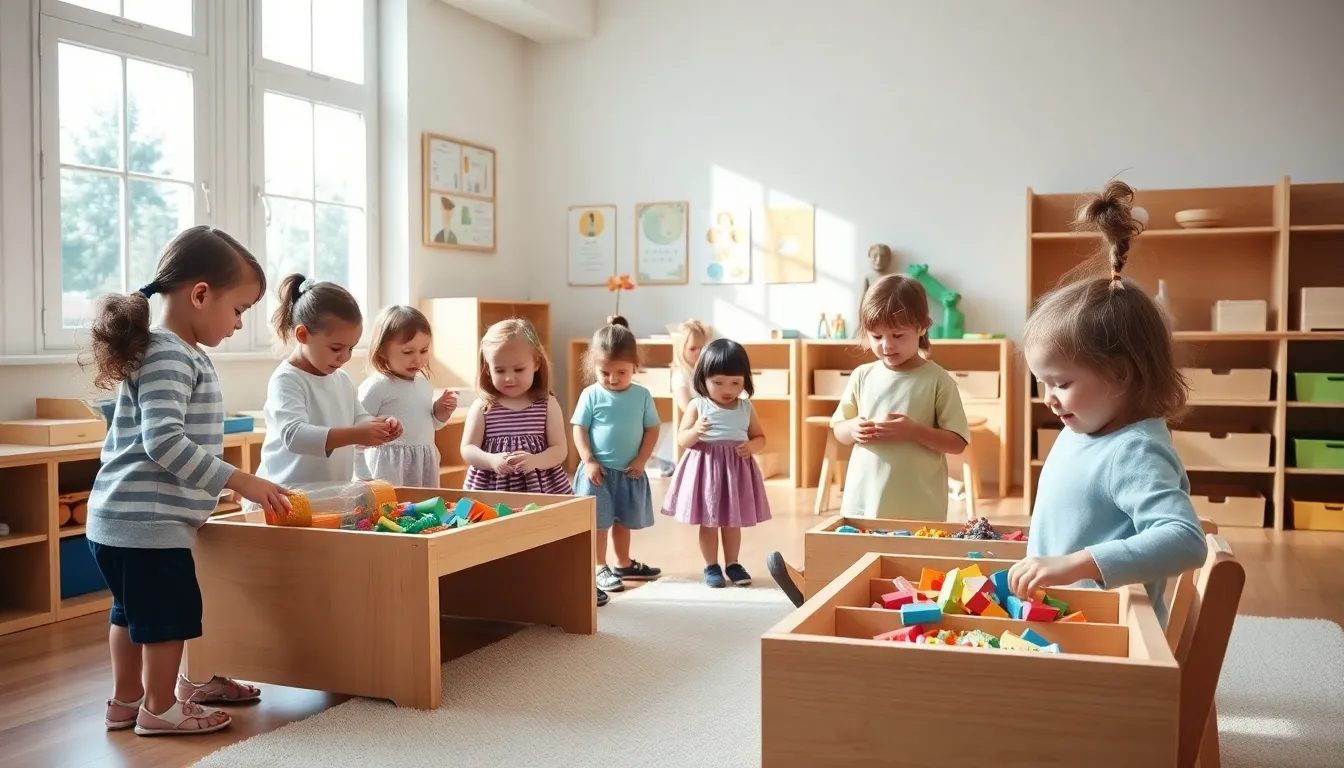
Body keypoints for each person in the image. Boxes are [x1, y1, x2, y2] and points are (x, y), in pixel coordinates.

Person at [84, 226, 291, 736]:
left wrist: (211, 486)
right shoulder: (173, 354)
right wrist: (240, 480)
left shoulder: (164, 351)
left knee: (128, 615)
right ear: (200, 294)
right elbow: (165, 442)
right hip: (149, 524)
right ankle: (161, 709)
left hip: (117, 520)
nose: (240, 323)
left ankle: (126, 702)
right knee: (168, 618)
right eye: (239, 309)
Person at [1010, 179, 1206, 626]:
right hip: (1060, 616)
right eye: (1042, 383)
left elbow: (1184, 539)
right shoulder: (1086, 427)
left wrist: (1077, 563)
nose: (1050, 400)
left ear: (1119, 373)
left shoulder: (1134, 449)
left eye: (1060, 383)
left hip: (1109, 632)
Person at [766, 274, 970, 606]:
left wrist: (914, 430)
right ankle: (814, 588)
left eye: (898, 335)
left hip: (916, 504)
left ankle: (904, 605)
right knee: (853, 550)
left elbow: (957, 442)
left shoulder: (937, 380)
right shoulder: (863, 376)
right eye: (876, 336)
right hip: (864, 496)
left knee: (908, 562)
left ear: (923, 327)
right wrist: (853, 428)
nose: (886, 345)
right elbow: (838, 429)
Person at [257, 275, 402, 487]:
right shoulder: (287, 379)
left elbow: (359, 419)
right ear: (302, 335)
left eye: (351, 348)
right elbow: (295, 435)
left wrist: (380, 426)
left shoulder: (341, 379)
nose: (345, 357)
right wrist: (355, 434)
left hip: (329, 493)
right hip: (285, 494)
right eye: (336, 348)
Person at [662, 338, 771, 588]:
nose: (727, 389)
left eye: (736, 382)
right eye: (718, 382)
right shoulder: (697, 405)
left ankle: (732, 563)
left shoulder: (746, 408)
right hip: (706, 471)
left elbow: (760, 438)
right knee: (709, 521)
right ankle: (711, 566)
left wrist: (751, 447)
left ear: (745, 381)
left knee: (732, 522)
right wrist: (696, 431)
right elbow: (682, 439)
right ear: (703, 379)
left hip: (735, 471)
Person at [571, 316, 663, 605]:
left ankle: (623, 563)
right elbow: (580, 429)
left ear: (634, 366)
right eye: (605, 372)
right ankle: (600, 567)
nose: (612, 379)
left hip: (629, 472)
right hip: (598, 473)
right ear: (594, 368)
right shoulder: (591, 394)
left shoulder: (642, 395)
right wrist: (588, 460)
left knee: (622, 522)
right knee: (599, 524)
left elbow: (652, 428)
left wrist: (642, 459)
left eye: (620, 372)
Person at [461, 318, 571, 495]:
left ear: (536, 363)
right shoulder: (483, 407)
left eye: (518, 369)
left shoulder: (547, 404)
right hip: (492, 491)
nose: (509, 378)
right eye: (500, 370)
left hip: (540, 491)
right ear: (488, 369)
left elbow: (559, 450)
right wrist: (490, 460)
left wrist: (536, 460)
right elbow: (467, 449)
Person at [356, 305, 458, 486]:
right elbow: (355, 429)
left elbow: (431, 425)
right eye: (408, 352)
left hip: (422, 464)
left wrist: (440, 412)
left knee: (422, 509)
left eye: (424, 350)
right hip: (388, 467)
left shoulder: (424, 385)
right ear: (381, 350)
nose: (418, 359)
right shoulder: (377, 386)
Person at [651, 319, 710, 476]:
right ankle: (668, 463)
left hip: (702, 419)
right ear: (680, 349)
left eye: (702, 347)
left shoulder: (700, 371)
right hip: (690, 422)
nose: (699, 352)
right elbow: (686, 405)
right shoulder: (680, 375)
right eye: (692, 349)